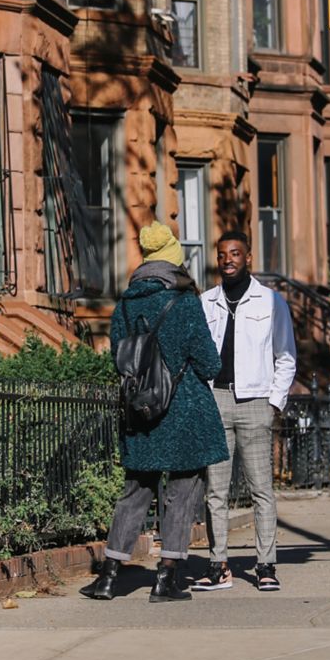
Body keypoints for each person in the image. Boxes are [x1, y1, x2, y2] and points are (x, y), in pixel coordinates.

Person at [80, 221, 229, 603]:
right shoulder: (185, 302)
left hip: (140, 411)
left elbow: (120, 358)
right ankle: (166, 579)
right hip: (184, 411)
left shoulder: (126, 303)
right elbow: (210, 364)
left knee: (135, 491)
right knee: (182, 493)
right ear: (174, 263)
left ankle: (109, 577)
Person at [193, 230, 296, 592]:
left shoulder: (271, 302)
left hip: (255, 403)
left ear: (248, 257)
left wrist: (273, 403)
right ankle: (218, 564)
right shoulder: (206, 302)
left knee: (261, 491)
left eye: (235, 253)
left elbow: (286, 357)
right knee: (216, 492)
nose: (228, 260)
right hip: (216, 400)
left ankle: (266, 565)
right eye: (222, 255)